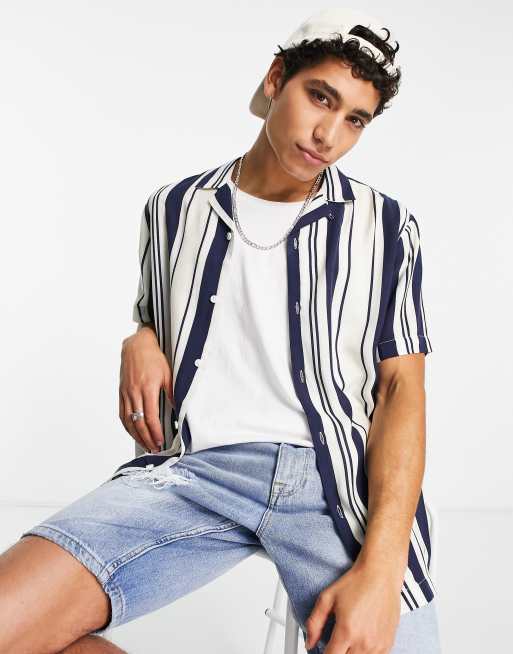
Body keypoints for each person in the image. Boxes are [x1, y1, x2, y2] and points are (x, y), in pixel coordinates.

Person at [0, 7, 441, 654]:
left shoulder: (384, 226)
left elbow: (402, 391)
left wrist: (380, 571)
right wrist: (141, 336)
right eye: (320, 97)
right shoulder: (174, 208)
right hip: (193, 472)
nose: (328, 134)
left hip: (329, 482)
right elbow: (162, 312)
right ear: (275, 79)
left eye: (355, 119)